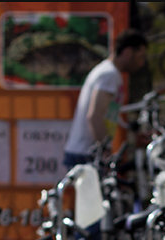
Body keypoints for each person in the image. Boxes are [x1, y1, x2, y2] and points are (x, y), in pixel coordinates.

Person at [63, 28, 149, 169]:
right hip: (86, 154)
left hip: (87, 152)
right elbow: (95, 116)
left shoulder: (111, 74)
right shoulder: (109, 74)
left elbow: (110, 115)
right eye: (140, 57)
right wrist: (104, 151)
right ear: (127, 52)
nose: (141, 63)